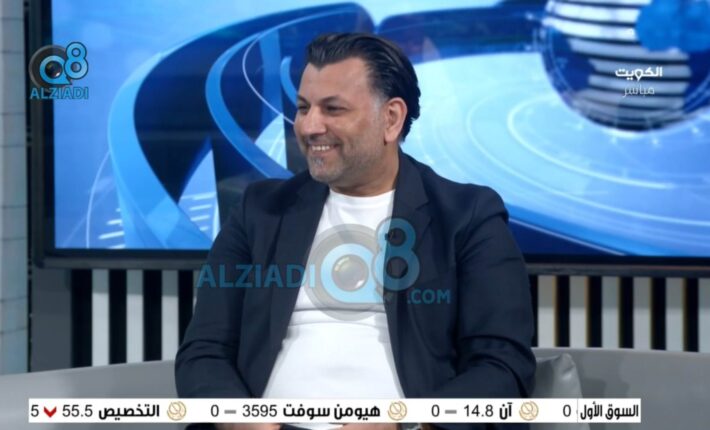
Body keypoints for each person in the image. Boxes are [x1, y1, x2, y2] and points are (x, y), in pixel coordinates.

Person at [175, 32, 535, 430]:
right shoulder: (259, 211)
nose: (309, 126)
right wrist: (237, 419)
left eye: (333, 109)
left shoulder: (468, 216)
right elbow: (204, 352)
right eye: (303, 107)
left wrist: (407, 424)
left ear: (391, 119)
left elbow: (502, 367)